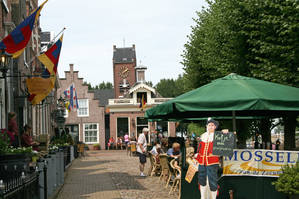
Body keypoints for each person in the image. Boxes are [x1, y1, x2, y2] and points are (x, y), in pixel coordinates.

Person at [195, 119, 228, 199]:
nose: (210, 127)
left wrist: (225, 133)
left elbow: (226, 141)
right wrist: (197, 156)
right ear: (206, 126)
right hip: (202, 161)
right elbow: (200, 148)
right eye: (209, 125)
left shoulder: (218, 135)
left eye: (212, 125)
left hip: (212, 162)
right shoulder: (203, 135)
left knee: (212, 181)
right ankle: (202, 197)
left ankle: (213, 198)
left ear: (215, 127)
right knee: (202, 180)